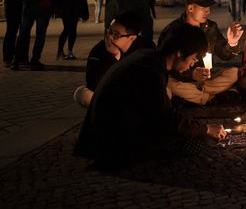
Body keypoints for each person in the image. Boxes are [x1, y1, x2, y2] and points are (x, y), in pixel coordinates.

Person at [74, 22, 226, 169]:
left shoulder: (148, 57)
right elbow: (165, 118)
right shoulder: (150, 71)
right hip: (111, 144)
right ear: (179, 53)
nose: (192, 64)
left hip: (106, 134)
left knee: (187, 132)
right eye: (193, 58)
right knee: (195, 141)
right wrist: (205, 129)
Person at [158, 0, 243, 106]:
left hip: (207, 80)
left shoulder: (210, 27)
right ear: (190, 8)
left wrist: (232, 43)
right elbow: (166, 66)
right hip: (182, 80)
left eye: (209, 7)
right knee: (169, 84)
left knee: (234, 73)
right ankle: (209, 98)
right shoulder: (174, 31)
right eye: (203, 7)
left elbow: (225, 55)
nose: (208, 11)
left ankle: (195, 97)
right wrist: (191, 74)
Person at [73, 11, 147, 108]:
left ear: (132, 38)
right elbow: (93, 84)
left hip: (135, 99)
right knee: (81, 93)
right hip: (110, 97)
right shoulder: (99, 50)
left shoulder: (143, 50)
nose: (110, 37)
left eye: (116, 35)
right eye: (109, 31)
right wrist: (114, 57)